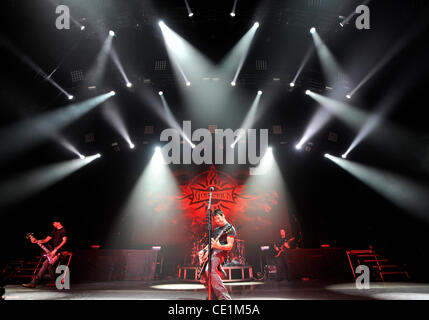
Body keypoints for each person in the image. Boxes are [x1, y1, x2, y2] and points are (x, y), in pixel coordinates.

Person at [199, 209, 236, 300]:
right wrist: (204, 250)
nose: (217, 221)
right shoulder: (216, 230)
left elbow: (230, 246)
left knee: (209, 270)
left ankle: (224, 297)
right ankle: (213, 294)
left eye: (219, 218)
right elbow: (212, 243)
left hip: (221, 253)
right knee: (203, 275)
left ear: (223, 215)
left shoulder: (230, 228)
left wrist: (218, 246)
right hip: (212, 251)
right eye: (215, 219)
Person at [22, 218, 67, 288]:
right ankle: (57, 281)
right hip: (54, 252)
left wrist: (55, 250)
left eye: (54, 222)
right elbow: (45, 240)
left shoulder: (64, 230)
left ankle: (34, 282)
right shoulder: (54, 231)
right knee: (50, 267)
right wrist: (36, 240)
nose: (53, 224)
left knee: (46, 264)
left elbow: (64, 241)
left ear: (58, 222)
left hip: (61, 252)